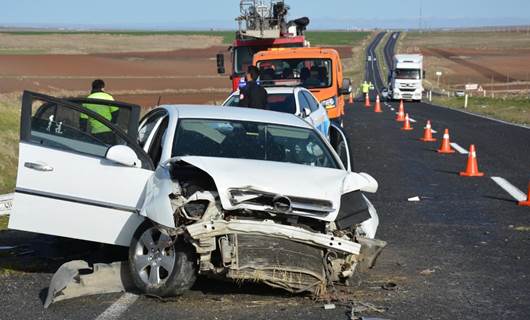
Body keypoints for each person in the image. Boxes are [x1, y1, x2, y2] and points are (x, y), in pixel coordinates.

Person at [80, 79, 119, 144]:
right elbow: (116, 112)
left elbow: (83, 120)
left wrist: (83, 134)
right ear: (103, 88)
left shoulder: (87, 100)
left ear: (92, 88)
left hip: (95, 133)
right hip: (109, 132)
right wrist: (113, 125)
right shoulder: (108, 97)